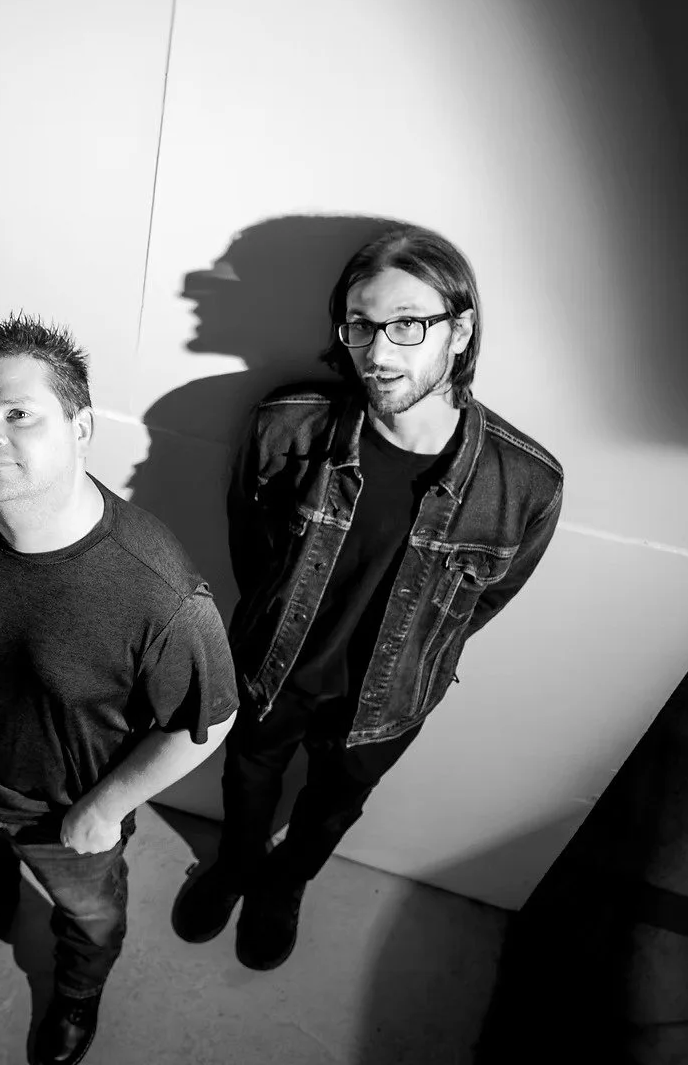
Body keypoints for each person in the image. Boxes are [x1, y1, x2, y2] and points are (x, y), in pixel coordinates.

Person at [170, 224, 564, 970]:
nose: (378, 354)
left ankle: (285, 885)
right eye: (360, 325)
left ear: (460, 331)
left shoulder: (525, 485)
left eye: (407, 325)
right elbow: (251, 546)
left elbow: (485, 603)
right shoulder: (288, 427)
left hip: (389, 699)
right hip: (272, 669)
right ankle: (237, 864)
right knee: (247, 775)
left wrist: (413, 653)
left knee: (333, 807)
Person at [0, 316, 238, 1065]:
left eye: (18, 414)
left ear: (81, 427)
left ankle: (77, 990)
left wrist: (105, 809)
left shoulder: (159, 590)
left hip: (67, 815)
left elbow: (210, 718)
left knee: (90, 918)